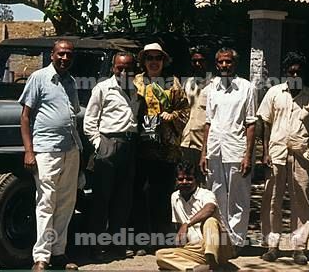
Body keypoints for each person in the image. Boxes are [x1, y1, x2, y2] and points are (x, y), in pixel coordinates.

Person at [258, 51, 309, 265]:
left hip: (301, 154)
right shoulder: (274, 93)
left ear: (303, 73)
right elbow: (266, 123)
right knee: (272, 200)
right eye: (291, 71)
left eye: (298, 71)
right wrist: (265, 152)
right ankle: (272, 246)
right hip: (276, 153)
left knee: (301, 201)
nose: (294, 74)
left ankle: (299, 248)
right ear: (286, 73)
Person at [19, 39, 82, 271]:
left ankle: (58, 252)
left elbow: (73, 113)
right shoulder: (38, 78)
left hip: (70, 148)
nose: (65, 58)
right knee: (46, 201)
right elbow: (25, 117)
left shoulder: (71, 81)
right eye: (61, 54)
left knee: (66, 202)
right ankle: (41, 257)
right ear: (52, 55)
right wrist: (29, 150)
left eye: (69, 55)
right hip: (46, 150)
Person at [130, 42, 190, 254]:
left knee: (163, 193)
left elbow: (184, 110)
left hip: (166, 148)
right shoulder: (136, 82)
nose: (154, 62)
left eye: (158, 58)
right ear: (143, 61)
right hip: (142, 147)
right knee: (141, 193)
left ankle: (161, 239)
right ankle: (141, 241)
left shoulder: (172, 83)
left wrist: (171, 116)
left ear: (164, 60)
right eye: (149, 58)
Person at [83, 51, 139, 261]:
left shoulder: (136, 89)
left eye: (128, 68)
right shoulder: (103, 88)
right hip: (108, 143)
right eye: (120, 68)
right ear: (113, 68)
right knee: (102, 198)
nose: (124, 72)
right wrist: (100, 144)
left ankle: (117, 244)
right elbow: (90, 120)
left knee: (123, 198)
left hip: (129, 145)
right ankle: (96, 246)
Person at [200, 47, 257, 249]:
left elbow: (251, 124)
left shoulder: (247, 88)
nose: (225, 65)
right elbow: (208, 122)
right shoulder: (212, 88)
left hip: (236, 149)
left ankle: (236, 242)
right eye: (221, 62)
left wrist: (248, 156)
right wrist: (203, 153)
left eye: (228, 62)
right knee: (216, 196)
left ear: (234, 63)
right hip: (215, 149)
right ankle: (220, 241)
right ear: (217, 65)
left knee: (238, 198)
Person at [155, 161, 234, 271]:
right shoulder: (175, 197)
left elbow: (209, 209)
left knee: (210, 221)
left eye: (189, 179)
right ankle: (195, 268)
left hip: (219, 245)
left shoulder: (206, 194)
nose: (184, 182)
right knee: (160, 255)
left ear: (197, 180)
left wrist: (186, 224)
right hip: (195, 248)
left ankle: (212, 259)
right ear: (176, 180)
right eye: (181, 179)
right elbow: (178, 226)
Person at [180, 48, 212, 183]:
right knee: (186, 178)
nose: (198, 64)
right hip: (186, 139)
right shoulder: (187, 83)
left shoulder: (216, 85)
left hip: (206, 141)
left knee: (205, 181)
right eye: (194, 61)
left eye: (201, 61)